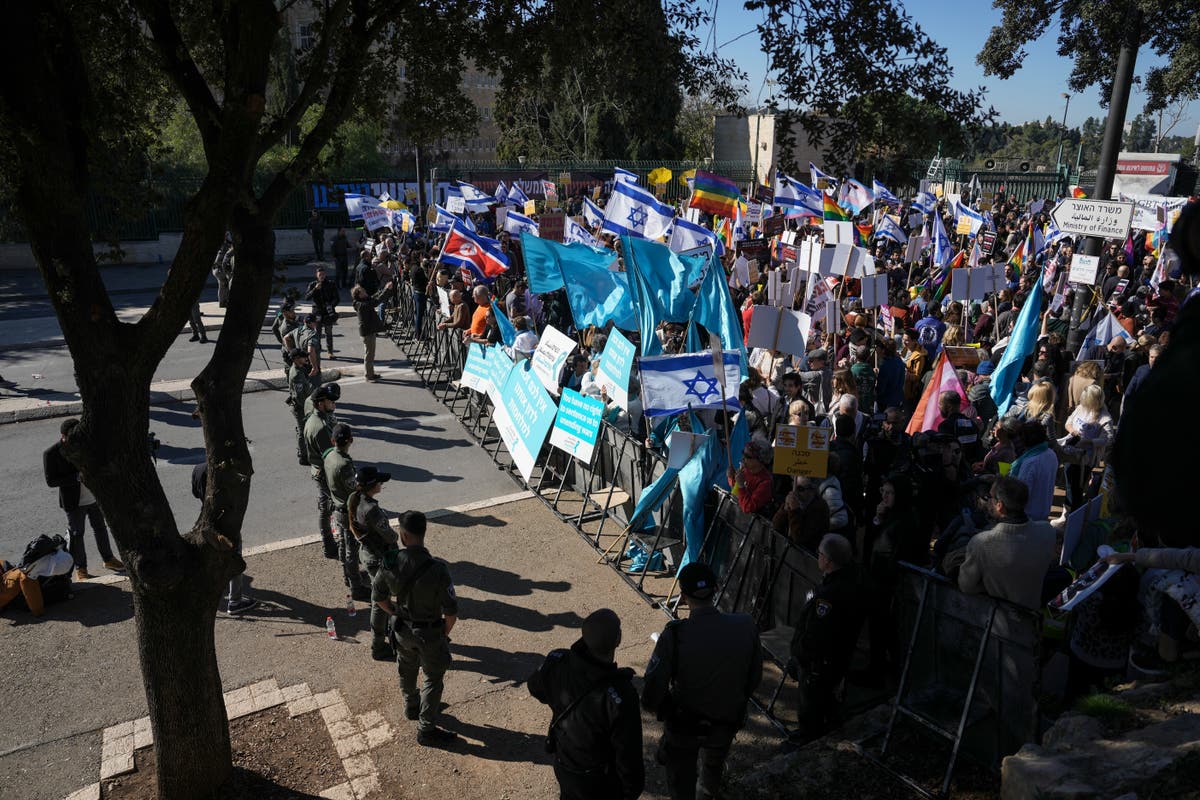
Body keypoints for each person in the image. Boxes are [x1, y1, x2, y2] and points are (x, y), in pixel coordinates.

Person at [643, 562, 762, 800]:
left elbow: (652, 691)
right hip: (725, 721)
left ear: (684, 597)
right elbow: (754, 678)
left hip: (684, 726)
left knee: (680, 780)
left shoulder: (674, 635)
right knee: (711, 773)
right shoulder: (745, 625)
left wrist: (661, 708)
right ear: (716, 590)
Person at [528, 609, 644, 800]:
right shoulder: (620, 695)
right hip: (600, 781)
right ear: (618, 640)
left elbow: (535, 687)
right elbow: (628, 755)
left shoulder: (557, 661)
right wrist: (630, 791)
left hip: (565, 764)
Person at [372, 509, 460, 746]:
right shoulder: (438, 569)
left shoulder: (392, 562)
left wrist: (392, 611)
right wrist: (444, 632)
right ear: (423, 533)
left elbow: (378, 595)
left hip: (401, 629)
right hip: (430, 632)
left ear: (404, 535)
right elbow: (451, 612)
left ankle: (412, 706)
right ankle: (426, 729)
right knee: (432, 678)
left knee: (407, 668)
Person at [787, 534, 868, 743]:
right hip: (835, 658)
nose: (818, 557)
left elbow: (818, 635)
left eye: (820, 554)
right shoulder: (852, 580)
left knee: (810, 706)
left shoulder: (830, 596)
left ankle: (808, 739)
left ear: (828, 561)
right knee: (825, 699)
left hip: (819, 663)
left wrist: (799, 654)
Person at [957, 476, 1056, 610]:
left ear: (1000, 506)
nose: (987, 501)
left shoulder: (982, 543)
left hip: (997, 619)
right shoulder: (1048, 531)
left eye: (990, 497)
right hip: (1032, 612)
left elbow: (966, 586)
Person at [43, 418, 124, 581]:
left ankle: (108, 559)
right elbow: (51, 481)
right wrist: (75, 477)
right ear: (63, 436)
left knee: (100, 528)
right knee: (77, 534)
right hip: (74, 501)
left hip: (94, 496)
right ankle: (81, 568)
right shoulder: (51, 453)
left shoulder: (87, 445)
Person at [348, 466, 400, 660]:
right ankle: (378, 647)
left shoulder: (355, 499)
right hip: (379, 558)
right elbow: (389, 535)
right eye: (379, 481)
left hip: (369, 554)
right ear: (372, 485)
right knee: (379, 602)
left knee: (379, 598)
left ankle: (384, 634)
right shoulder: (371, 510)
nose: (381, 484)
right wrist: (395, 536)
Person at [324, 424, 368, 601]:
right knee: (351, 550)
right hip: (347, 510)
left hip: (337, 506)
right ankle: (356, 586)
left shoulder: (329, 456)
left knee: (343, 544)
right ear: (350, 440)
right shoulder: (344, 464)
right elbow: (353, 489)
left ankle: (347, 576)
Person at [1060, 384, 1114, 512]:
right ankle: (1067, 512)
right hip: (1071, 450)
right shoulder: (1081, 408)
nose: (1082, 402)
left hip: (1086, 459)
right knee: (1069, 484)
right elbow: (1068, 422)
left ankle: (1073, 513)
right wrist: (1074, 432)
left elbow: (1109, 439)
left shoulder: (1105, 418)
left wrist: (1089, 441)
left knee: (1077, 487)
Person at [304, 384, 340, 560]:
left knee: (325, 508)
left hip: (320, 470)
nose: (333, 403)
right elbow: (331, 457)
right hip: (325, 473)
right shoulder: (319, 427)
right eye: (330, 401)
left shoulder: (318, 419)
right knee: (329, 509)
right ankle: (330, 545)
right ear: (320, 403)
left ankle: (329, 544)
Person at [1008, 421, 1058, 521]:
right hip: (1044, 510)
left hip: (1028, 516)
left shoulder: (1030, 463)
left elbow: (1021, 494)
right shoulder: (1051, 453)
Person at [771, 476, 830, 551]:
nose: (795, 492)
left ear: (812, 490)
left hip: (808, 555)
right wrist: (785, 508)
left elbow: (799, 538)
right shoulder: (797, 500)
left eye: (800, 489)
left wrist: (794, 511)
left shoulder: (819, 507)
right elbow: (776, 525)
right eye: (794, 486)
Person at [352, 282, 393, 382]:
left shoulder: (362, 301)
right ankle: (368, 375)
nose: (365, 292)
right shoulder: (361, 305)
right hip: (367, 332)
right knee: (369, 354)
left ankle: (370, 373)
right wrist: (386, 290)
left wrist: (384, 289)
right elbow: (375, 302)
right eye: (363, 291)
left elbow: (374, 297)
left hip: (369, 330)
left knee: (370, 354)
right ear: (359, 294)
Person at [287, 348, 318, 466]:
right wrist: (308, 409)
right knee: (302, 431)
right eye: (303, 357)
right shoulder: (296, 375)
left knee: (302, 430)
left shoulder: (299, 369)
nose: (306, 358)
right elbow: (300, 396)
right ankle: (303, 456)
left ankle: (305, 451)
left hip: (303, 404)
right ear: (296, 359)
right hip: (301, 407)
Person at [727, 441, 774, 515]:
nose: (743, 458)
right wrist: (731, 477)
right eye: (743, 453)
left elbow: (747, 508)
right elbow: (735, 491)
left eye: (747, 456)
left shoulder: (765, 483)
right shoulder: (745, 470)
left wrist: (741, 486)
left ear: (760, 460)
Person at [305, 267, 341, 356]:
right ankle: (318, 350)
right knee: (317, 333)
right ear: (316, 275)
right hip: (317, 312)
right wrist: (315, 289)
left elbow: (337, 298)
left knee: (328, 332)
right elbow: (307, 297)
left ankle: (330, 351)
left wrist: (331, 305)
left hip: (328, 312)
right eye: (320, 275)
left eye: (323, 274)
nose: (322, 276)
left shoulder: (331, 284)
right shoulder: (313, 284)